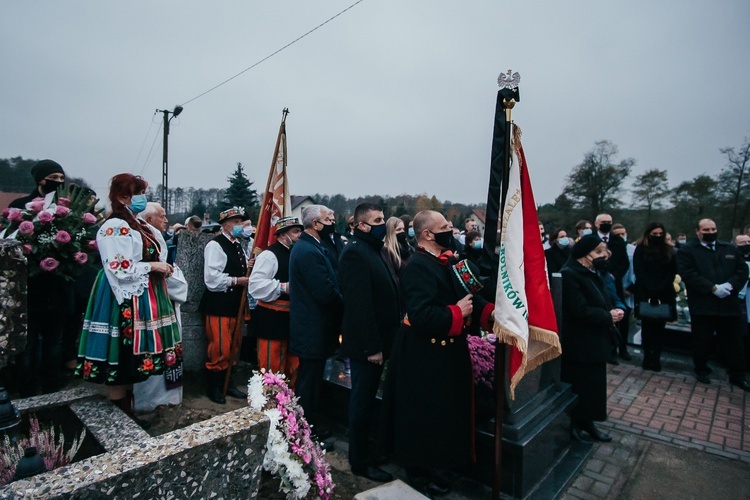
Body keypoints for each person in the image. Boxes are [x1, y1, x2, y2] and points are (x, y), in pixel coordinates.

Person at [384, 210, 493, 496]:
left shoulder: (447, 260)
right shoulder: (418, 266)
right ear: (427, 235)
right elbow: (421, 314)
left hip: (448, 351)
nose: (451, 229)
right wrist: (457, 312)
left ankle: (442, 464)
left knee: (445, 411)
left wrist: (493, 315)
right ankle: (420, 469)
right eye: (444, 226)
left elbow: (471, 297)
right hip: (424, 354)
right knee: (426, 413)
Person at [76, 173, 182, 422]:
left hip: (141, 292)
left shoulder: (135, 223)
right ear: (123, 196)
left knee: (133, 357)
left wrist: (159, 266)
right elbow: (120, 267)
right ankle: (120, 414)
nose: (143, 199)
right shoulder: (115, 225)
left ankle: (129, 408)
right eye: (139, 193)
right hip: (120, 294)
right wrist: (153, 267)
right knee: (121, 354)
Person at [340, 203, 401, 483]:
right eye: (377, 220)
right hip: (367, 346)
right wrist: (372, 347)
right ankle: (360, 461)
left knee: (368, 402)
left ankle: (370, 452)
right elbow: (359, 306)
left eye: (383, 218)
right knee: (361, 403)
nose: (382, 223)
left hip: (383, 340)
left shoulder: (375, 249)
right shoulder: (355, 252)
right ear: (362, 225)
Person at [13, 159, 74, 397]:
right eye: (54, 178)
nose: (59, 182)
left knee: (54, 342)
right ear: (41, 180)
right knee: (28, 343)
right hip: (31, 287)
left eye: (61, 178)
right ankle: (26, 387)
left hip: (58, 287)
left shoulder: (65, 211)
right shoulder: (21, 207)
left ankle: (51, 384)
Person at [560, 234, 624, 443]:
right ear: (584, 255)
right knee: (580, 385)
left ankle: (588, 422)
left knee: (593, 387)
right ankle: (574, 425)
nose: (604, 255)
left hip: (596, 340)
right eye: (598, 252)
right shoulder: (570, 274)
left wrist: (613, 309)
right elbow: (579, 310)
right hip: (580, 342)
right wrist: (607, 316)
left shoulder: (593, 272)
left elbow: (602, 297)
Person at [289, 205, 344, 444]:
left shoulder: (312, 246)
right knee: (308, 383)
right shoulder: (308, 250)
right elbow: (324, 291)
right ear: (315, 224)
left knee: (311, 379)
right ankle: (304, 429)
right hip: (313, 327)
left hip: (314, 326)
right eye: (328, 219)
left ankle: (306, 424)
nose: (332, 222)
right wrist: (345, 303)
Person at [676, 219, 750, 390]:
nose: (710, 232)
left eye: (713, 229)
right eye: (706, 229)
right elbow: (688, 273)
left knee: (734, 342)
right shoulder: (688, 250)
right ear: (698, 232)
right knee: (702, 340)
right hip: (703, 303)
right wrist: (712, 288)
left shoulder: (729, 248)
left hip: (728, 304)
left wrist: (730, 285)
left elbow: (742, 270)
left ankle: (737, 375)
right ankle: (701, 369)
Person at [201, 207, 251, 404]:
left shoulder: (238, 244)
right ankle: (214, 387)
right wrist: (238, 281)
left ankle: (228, 383)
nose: (239, 225)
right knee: (220, 346)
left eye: (241, 221)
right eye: (236, 222)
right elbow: (212, 279)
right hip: (219, 303)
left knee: (234, 346)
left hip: (235, 303)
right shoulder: (215, 245)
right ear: (225, 225)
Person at [247, 216, 303, 384]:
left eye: (300, 231)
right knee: (271, 365)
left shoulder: (295, 253)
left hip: (292, 317)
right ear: (282, 234)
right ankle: (269, 404)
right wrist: (283, 287)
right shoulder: (269, 255)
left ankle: (289, 403)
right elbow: (255, 285)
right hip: (271, 317)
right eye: (295, 231)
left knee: (293, 364)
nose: (299, 235)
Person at [633, 223, 678, 372]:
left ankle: (656, 357)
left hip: (664, 292)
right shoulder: (641, 249)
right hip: (645, 290)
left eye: (660, 234)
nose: (658, 236)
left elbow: (672, 271)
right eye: (655, 233)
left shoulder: (669, 250)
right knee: (647, 327)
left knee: (660, 328)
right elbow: (638, 269)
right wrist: (650, 287)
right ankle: (647, 356)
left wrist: (661, 287)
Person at [595, 213, 632, 361]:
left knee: (621, 314)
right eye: (604, 222)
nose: (607, 224)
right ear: (597, 224)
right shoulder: (591, 240)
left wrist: (613, 275)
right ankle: (609, 349)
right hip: (597, 280)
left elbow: (624, 263)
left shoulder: (618, 241)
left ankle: (622, 347)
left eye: (609, 222)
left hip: (614, 282)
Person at [734, 234, 750, 371]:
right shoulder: (734, 257)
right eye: (742, 242)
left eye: (748, 241)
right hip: (739, 298)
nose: (746, 244)